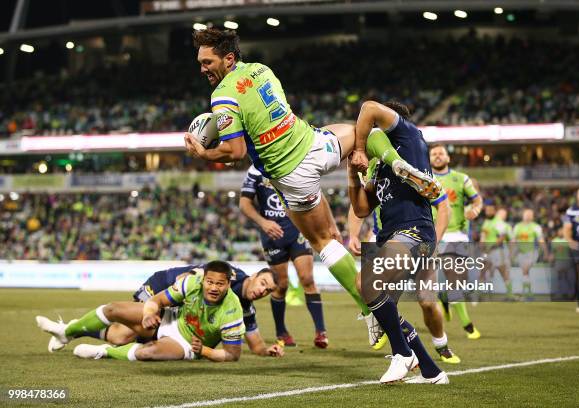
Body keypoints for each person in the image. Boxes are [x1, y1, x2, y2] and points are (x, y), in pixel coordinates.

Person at [183, 28, 439, 348]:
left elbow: (234, 153)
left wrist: (203, 152)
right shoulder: (263, 69)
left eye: (207, 62)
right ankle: (389, 158)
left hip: (292, 174)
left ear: (229, 58)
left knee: (325, 240)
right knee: (359, 130)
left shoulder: (222, 97)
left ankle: (372, 311)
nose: (203, 68)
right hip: (313, 143)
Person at [348, 100, 449, 384]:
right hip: (390, 235)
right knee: (385, 308)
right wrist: (352, 171)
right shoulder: (377, 166)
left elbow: (368, 107)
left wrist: (357, 146)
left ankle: (402, 354)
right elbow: (361, 209)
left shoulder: (409, 136)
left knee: (366, 283)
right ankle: (431, 370)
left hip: (415, 231)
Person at [43, 263, 283, 358]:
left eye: (268, 290)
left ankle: (88, 341)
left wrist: (266, 349)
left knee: (121, 336)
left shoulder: (242, 310)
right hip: (164, 288)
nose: (263, 290)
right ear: (253, 276)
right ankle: (71, 331)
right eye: (263, 283)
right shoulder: (221, 274)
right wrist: (152, 311)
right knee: (121, 324)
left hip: (183, 324)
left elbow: (245, 349)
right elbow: (184, 279)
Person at [240, 165, 328, 348]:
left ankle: (321, 332)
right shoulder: (255, 171)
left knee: (307, 279)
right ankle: (281, 331)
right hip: (272, 235)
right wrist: (264, 223)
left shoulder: (293, 162)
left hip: (298, 230)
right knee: (280, 285)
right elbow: (244, 204)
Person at [429, 143, 483, 340]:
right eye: (433, 154)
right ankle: (467, 325)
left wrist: (474, 211)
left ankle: (446, 300)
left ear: (448, 158)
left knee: (457, 280)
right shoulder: (424, 179)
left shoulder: (462, 179)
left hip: (457, 236)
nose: (437, 156)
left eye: (441, 153)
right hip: (433, 235)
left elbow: (477, 200)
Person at [511, 209, 550, 299]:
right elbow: (513, 240)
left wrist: (546, 252)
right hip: (520, 253)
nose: (528, 216)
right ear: (523, 215)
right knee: (525, 272)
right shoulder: (518, 226)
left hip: (531, 252)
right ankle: (529, 293)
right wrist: (511, 253)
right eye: (526, 214)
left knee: (525, 270)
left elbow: (541, 240)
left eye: (530, 215)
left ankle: (525, 293)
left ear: (532, 217)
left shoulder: (536, 227)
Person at [480, 204, 513, 300]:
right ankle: (480, 294)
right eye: (487, 210)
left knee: (502, 271)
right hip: (486, 251)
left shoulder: (499, 223)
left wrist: (491, 247)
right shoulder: (486, 222)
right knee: (482, 271)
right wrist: (482, 245)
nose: (488, 212)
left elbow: (502, 237)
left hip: (496, 251)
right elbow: (483, 235)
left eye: (490, 210)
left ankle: (510, 294)